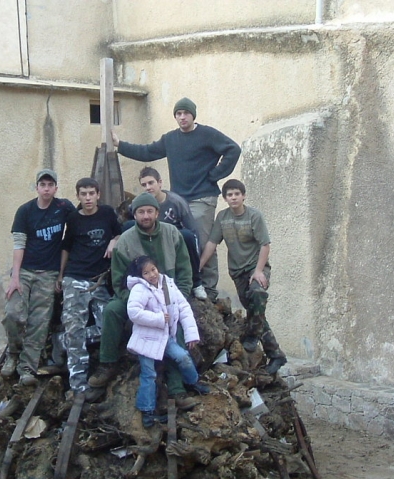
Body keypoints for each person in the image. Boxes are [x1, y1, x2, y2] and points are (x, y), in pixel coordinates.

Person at [112, 97, 241, 301]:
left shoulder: (207, 134)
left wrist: (215, 175)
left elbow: (233, 149)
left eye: (185, 113)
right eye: (178, 114)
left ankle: (208, 288)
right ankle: (182, 284)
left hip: (202, 198)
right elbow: (148, 151)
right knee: (176, 240)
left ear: (193, 115)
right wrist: (121, 146)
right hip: (178, 199)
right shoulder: (170, 139)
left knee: (200, 240)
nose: (182, 117)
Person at [91, 192, 200, 410]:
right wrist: (136, 306)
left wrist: (182, 295)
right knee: (112, 309)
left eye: (150, 211)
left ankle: (177, 389)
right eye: (141, 212)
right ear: (134, 215)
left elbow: (184, 270)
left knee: (174, 328)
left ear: (157, 213)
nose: (146, 215)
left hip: (167, 293)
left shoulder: (172, 234)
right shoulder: (126, 241)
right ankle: (107, 363)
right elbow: (119, 280)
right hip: (137, 296)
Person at [199, 179, 287, 374]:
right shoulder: (222, 218)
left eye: (237, 194)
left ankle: (252, 336)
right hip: (237, 272)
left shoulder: (254, 216)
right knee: (256, 312)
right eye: (229, 195)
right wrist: (198, 267)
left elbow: (265, 244)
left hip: (256, 268)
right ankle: (276, 355)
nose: (233, 197)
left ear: (243, 196)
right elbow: (212, 244)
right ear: (225, 198)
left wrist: (258, 271)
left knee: (257, 295)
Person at [1, 169, 75, 385]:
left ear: (56, 188)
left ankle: (27, 368)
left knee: (39, 323)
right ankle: (13, 354)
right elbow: (19, 244)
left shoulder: (63, 207)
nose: (46, 188)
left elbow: (79, 224)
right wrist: (15, 277)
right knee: (13, 314)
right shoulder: (25, 211)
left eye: (50, 185)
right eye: (42, 184)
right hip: (24, 271)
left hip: (48, 274)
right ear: (37, 187)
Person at [126, 256, 209, 427]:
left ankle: (193, 381)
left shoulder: (168, 285)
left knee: (183, 357)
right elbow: (133, 312)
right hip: (146, 340)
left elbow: (183, 307)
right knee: (148, 375)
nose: (151, 275)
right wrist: (158, 318)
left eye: (153, 270)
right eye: (146, 272)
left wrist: (190, 334)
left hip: (165, 337)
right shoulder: (139, 289)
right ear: (140, 276)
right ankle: (147, 412)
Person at [57, 178, 121, 402]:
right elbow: (66, 246)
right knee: (74, 328)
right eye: (83, 194)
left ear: (98, 194)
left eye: (91, 193)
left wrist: (114, 240)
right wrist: (61, 275)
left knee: (109, 329)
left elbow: (120, 233)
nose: (87, 198)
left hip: (100, 280)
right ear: (78, 196)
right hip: (75, 278)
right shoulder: (73, 219)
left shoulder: (107, 214)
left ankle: (65, 339)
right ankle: (78, 386)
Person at [125, 166, 207, 300]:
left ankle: (196, 283)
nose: (148, 187)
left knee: (188, 236)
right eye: (144, 185)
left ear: (160, 183)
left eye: (151, 183)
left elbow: (193, 231)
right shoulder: (139, 203)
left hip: (173, 240)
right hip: (149, 238)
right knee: (127, 227)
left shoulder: (177, 202)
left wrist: (197, 262)